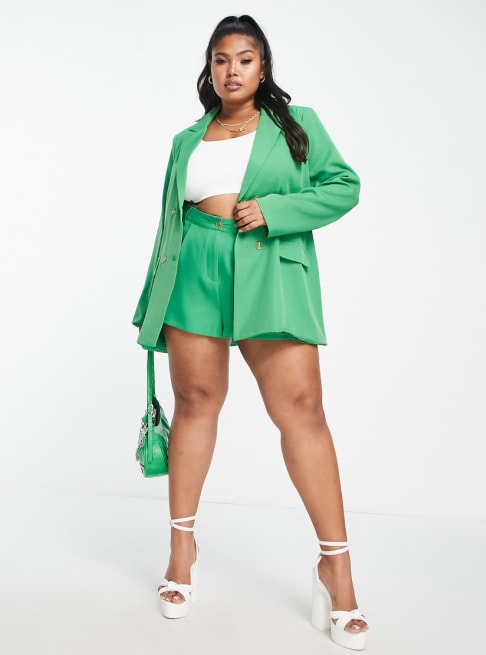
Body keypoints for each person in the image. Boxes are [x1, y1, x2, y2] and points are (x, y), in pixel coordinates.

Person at [132, 14, 368, 650]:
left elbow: (344, 186)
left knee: (302, 410)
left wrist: (275, 210)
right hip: (195, 272)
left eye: (244, 58)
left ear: (263, 67)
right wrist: (153, 300)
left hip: (269, 266)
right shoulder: (187, 139)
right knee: (195, 403)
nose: (231, 70)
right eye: (220, 59)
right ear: (209, 69)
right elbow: (169, 223)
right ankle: (182, 551)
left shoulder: (296, 125)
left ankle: (337, 568)